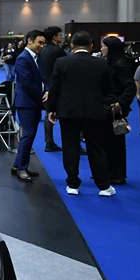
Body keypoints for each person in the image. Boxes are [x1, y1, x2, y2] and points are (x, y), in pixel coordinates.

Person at [46, 31, 116, 197]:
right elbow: (110, 90)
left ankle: (72, 184)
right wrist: (104, 105)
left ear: (71, 45)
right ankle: (104, 186)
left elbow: (54, 89)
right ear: (91, 46)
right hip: (94, 111)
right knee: (96, 148)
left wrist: (51, 109)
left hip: (67, 111)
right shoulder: (101, 64)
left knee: (70, 147)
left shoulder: (61, 62)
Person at [11, 30, 47, 183]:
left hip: (33, 102)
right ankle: (22, 168)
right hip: (27, 103)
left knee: (29, 135)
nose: (42, 46)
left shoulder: (36, 58)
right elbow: (27, 83)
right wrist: (42, 98)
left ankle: (18, 165)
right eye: (40, 42)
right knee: (28, 135)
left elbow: (42, 78)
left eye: (44, 43)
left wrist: (47, 91)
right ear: (30, 41)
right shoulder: (23, 58)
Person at [101, 36, 136, 185]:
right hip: (106, 106)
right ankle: (107, 171)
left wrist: (120, 103)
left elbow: (130, 87)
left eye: (104, 46)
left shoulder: (121, 65)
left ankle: (117, 174)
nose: (101, 49)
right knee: (106, 141)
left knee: (115, 143)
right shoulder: (109, 62)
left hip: (114, 108)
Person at [39, 26, 67, 153]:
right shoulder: (59, 51)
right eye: (60, 35)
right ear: (54, 37)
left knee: (48, 115)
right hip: (59, 87)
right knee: (66, 117)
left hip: (46, 86)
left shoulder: (43, 50)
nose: (62, 37)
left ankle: (49, 142)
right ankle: (72, 144)